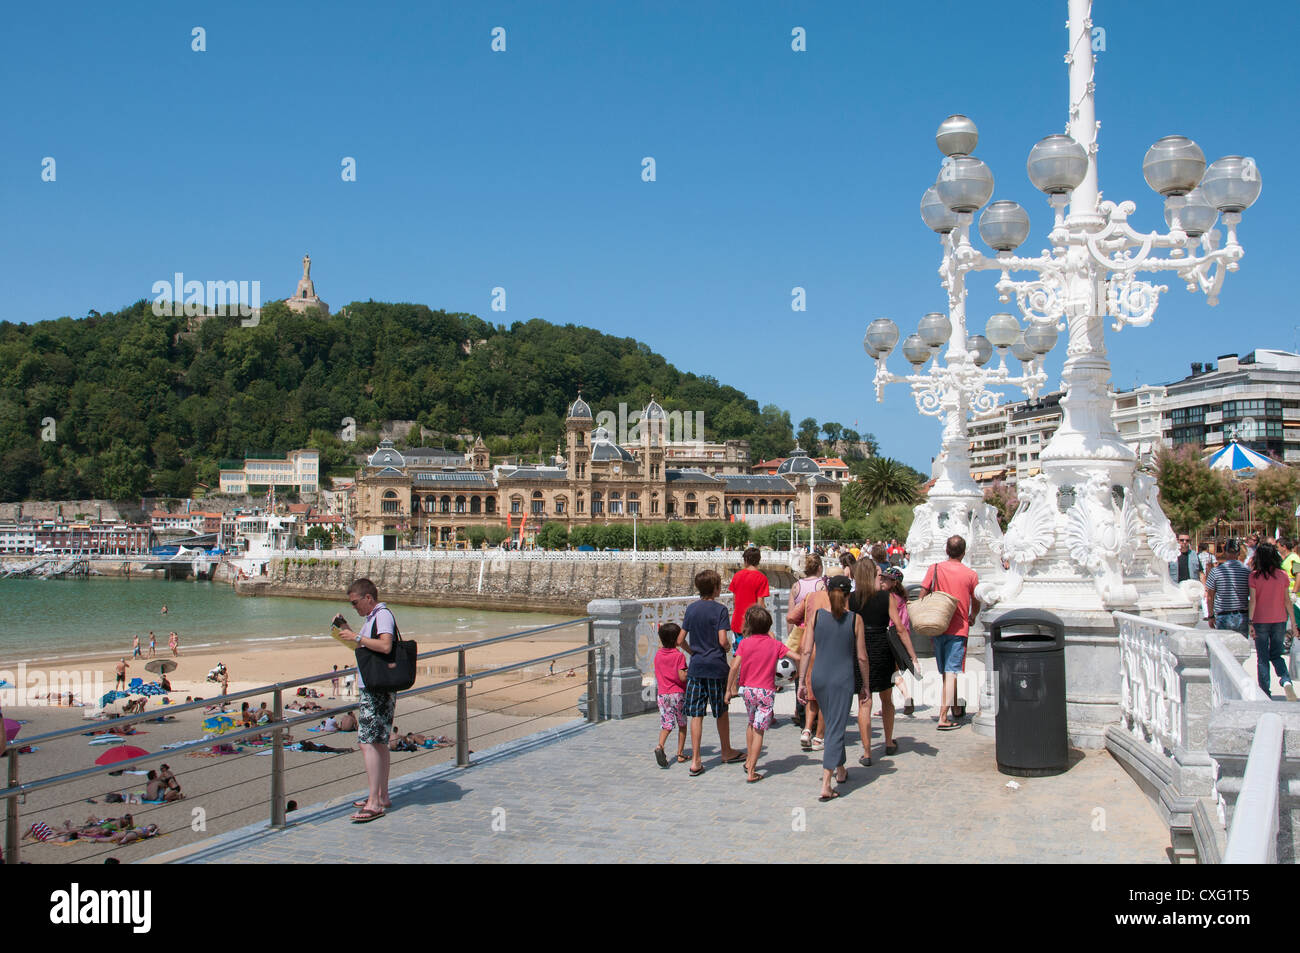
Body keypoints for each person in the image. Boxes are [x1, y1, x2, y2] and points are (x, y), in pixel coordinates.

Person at [334, 578, 397, 822]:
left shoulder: (382, 616)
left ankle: (374, 802)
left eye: (355, 602)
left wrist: (357, 637)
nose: (355, 607)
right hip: (374, 686)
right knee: (378, 742)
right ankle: (381, 795)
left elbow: (384, 645)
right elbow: (364, 647)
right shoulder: (372, 618)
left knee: (368, 742)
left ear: (368, 598)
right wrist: (348, 631)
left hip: (377, 688)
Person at [799, 575, 867, 801]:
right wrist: (865, 684)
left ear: (828, 593)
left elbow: (806, 651)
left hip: (819, 676)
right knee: (836, 728)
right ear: (849, 595)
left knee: (833, 723)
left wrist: (801, 681)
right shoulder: (855, 620)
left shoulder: (817, 616)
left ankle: (840, 769)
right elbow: (862, 657)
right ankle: (826, 783)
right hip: (842, 678)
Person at [850, 561, 919, 765]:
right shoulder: (885, 597)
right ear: (873, 575)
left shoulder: (851, 599)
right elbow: (899, 627)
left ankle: (867, 752)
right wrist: (912, 654)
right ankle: (888, 741)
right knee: (886, 698)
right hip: (882, 647)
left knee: (864, 700)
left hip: (861, 647)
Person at [679, 569, 744, 775]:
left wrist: (693, 651)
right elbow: (723, 639)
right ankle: (726, 750)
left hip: (697, 667)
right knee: (721, 711)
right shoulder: (720, 610)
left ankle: (696, 760)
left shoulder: (691, 610)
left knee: (696, 714)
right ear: (714, 588)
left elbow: (680, 640)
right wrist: (725, 648)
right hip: (716, 667)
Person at [725, 605, 796, 783]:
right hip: (765, 691)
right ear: (768, 625)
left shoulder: (744, 643)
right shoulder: (775, 644)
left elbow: (734, 666)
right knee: (759, 730)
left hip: (747, 690)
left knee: (750, 723)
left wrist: (728, 689)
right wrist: (799, 673)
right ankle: (752, 770)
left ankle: (749, 760)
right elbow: (797, 657)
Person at [920, 535, 980, 731]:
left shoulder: (935, 568)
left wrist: (926, 615)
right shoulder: (971, 574)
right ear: (964, 552)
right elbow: (977, 598)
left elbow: (922, 593)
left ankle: (954, 706)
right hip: (959, 628)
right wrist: (973, 615)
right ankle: (943, 716)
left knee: (946, 672)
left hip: (938, 625)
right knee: (952, 671)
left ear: (946, 550)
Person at [1248, 542, 1297, 700]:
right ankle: (1286, 680)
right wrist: (1294, 624)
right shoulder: (1282, 575)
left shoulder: (1254, 576)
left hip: (1260, 620)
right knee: (1276, 655)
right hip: (1280, 620)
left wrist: (1250, 622)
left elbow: (1253, 601)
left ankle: (1265, 692)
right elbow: (1287, 601)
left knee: (1262, 658)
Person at [785, 554, 826, 727]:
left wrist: (791, 637)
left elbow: (791, 614)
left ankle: (800, 710)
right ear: (819, 568)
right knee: (816, 672)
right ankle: (815, 714)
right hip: (815, 631)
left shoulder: (796, 586)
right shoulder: (821, 585)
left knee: (799, 673)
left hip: (799, 632)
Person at [653, 622, 689, 768]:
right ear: (676, 640)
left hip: (663, 694)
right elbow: (681, 677)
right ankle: (680, 754)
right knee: (682, 724)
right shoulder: (679, 656)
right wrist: (689, 673)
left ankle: (660, 746)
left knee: (666, 725)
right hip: (678, 694)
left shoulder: (658, 655)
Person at [1206, 539, 1251, 637]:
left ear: (1225, 552)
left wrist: (1210, 616)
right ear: (1238, 553)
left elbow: (1210, 596)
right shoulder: (1247, 572)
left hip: (1223, 615)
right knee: (1241, 648)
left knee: (1225, 648)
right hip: (1242, 615)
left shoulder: (1216, 571)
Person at [727, 547, 769, 650]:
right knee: (753, 655)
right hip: (753, 625)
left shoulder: (737, 576)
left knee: (737, 655)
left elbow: (734, 601)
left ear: (745, 560)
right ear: (758, 560)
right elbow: (760, 604)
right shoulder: (761, 578)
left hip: (738, 623)